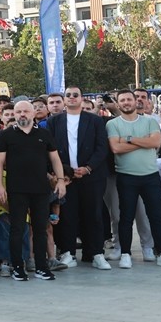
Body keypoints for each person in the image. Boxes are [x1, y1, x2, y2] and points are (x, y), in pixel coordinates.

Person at [0, 100, 69, 282]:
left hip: (41, 190)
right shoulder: (5, 136)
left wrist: (60, 181)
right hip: (16, 189)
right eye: (18, 112)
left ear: (33, 113)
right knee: (17, 229)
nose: (21, 115)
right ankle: (17, 267)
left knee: (41, 228)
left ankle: (42, 267)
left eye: (25, 111)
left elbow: (55, 159)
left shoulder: (44, 134)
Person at [106, 90, 161, 270]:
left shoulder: (150, 121)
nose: (127, 102)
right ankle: (126, 254)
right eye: (123, 100)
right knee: (126, 217)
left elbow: (155, 143)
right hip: (126, 176)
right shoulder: (112, 124)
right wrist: (141, 142)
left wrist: (128, 139)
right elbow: (115, 148)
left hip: (150, 176)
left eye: (129, 99)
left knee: (156, 216)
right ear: (118, 103)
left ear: (135, 101)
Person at [46, 85, 111, 270]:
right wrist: (65, 172)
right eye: (69, 95)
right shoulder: (54, 122)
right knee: (67, 215)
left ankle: (96, 253)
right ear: (64, 99)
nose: (72, 97)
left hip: (92, 176)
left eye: (76, 95)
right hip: (66, 178)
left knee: (94, 214)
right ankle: (68, 252)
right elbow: (51, 151)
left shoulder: (95, 121)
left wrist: (88, 168)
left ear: (82, 98)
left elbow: (101, 148)